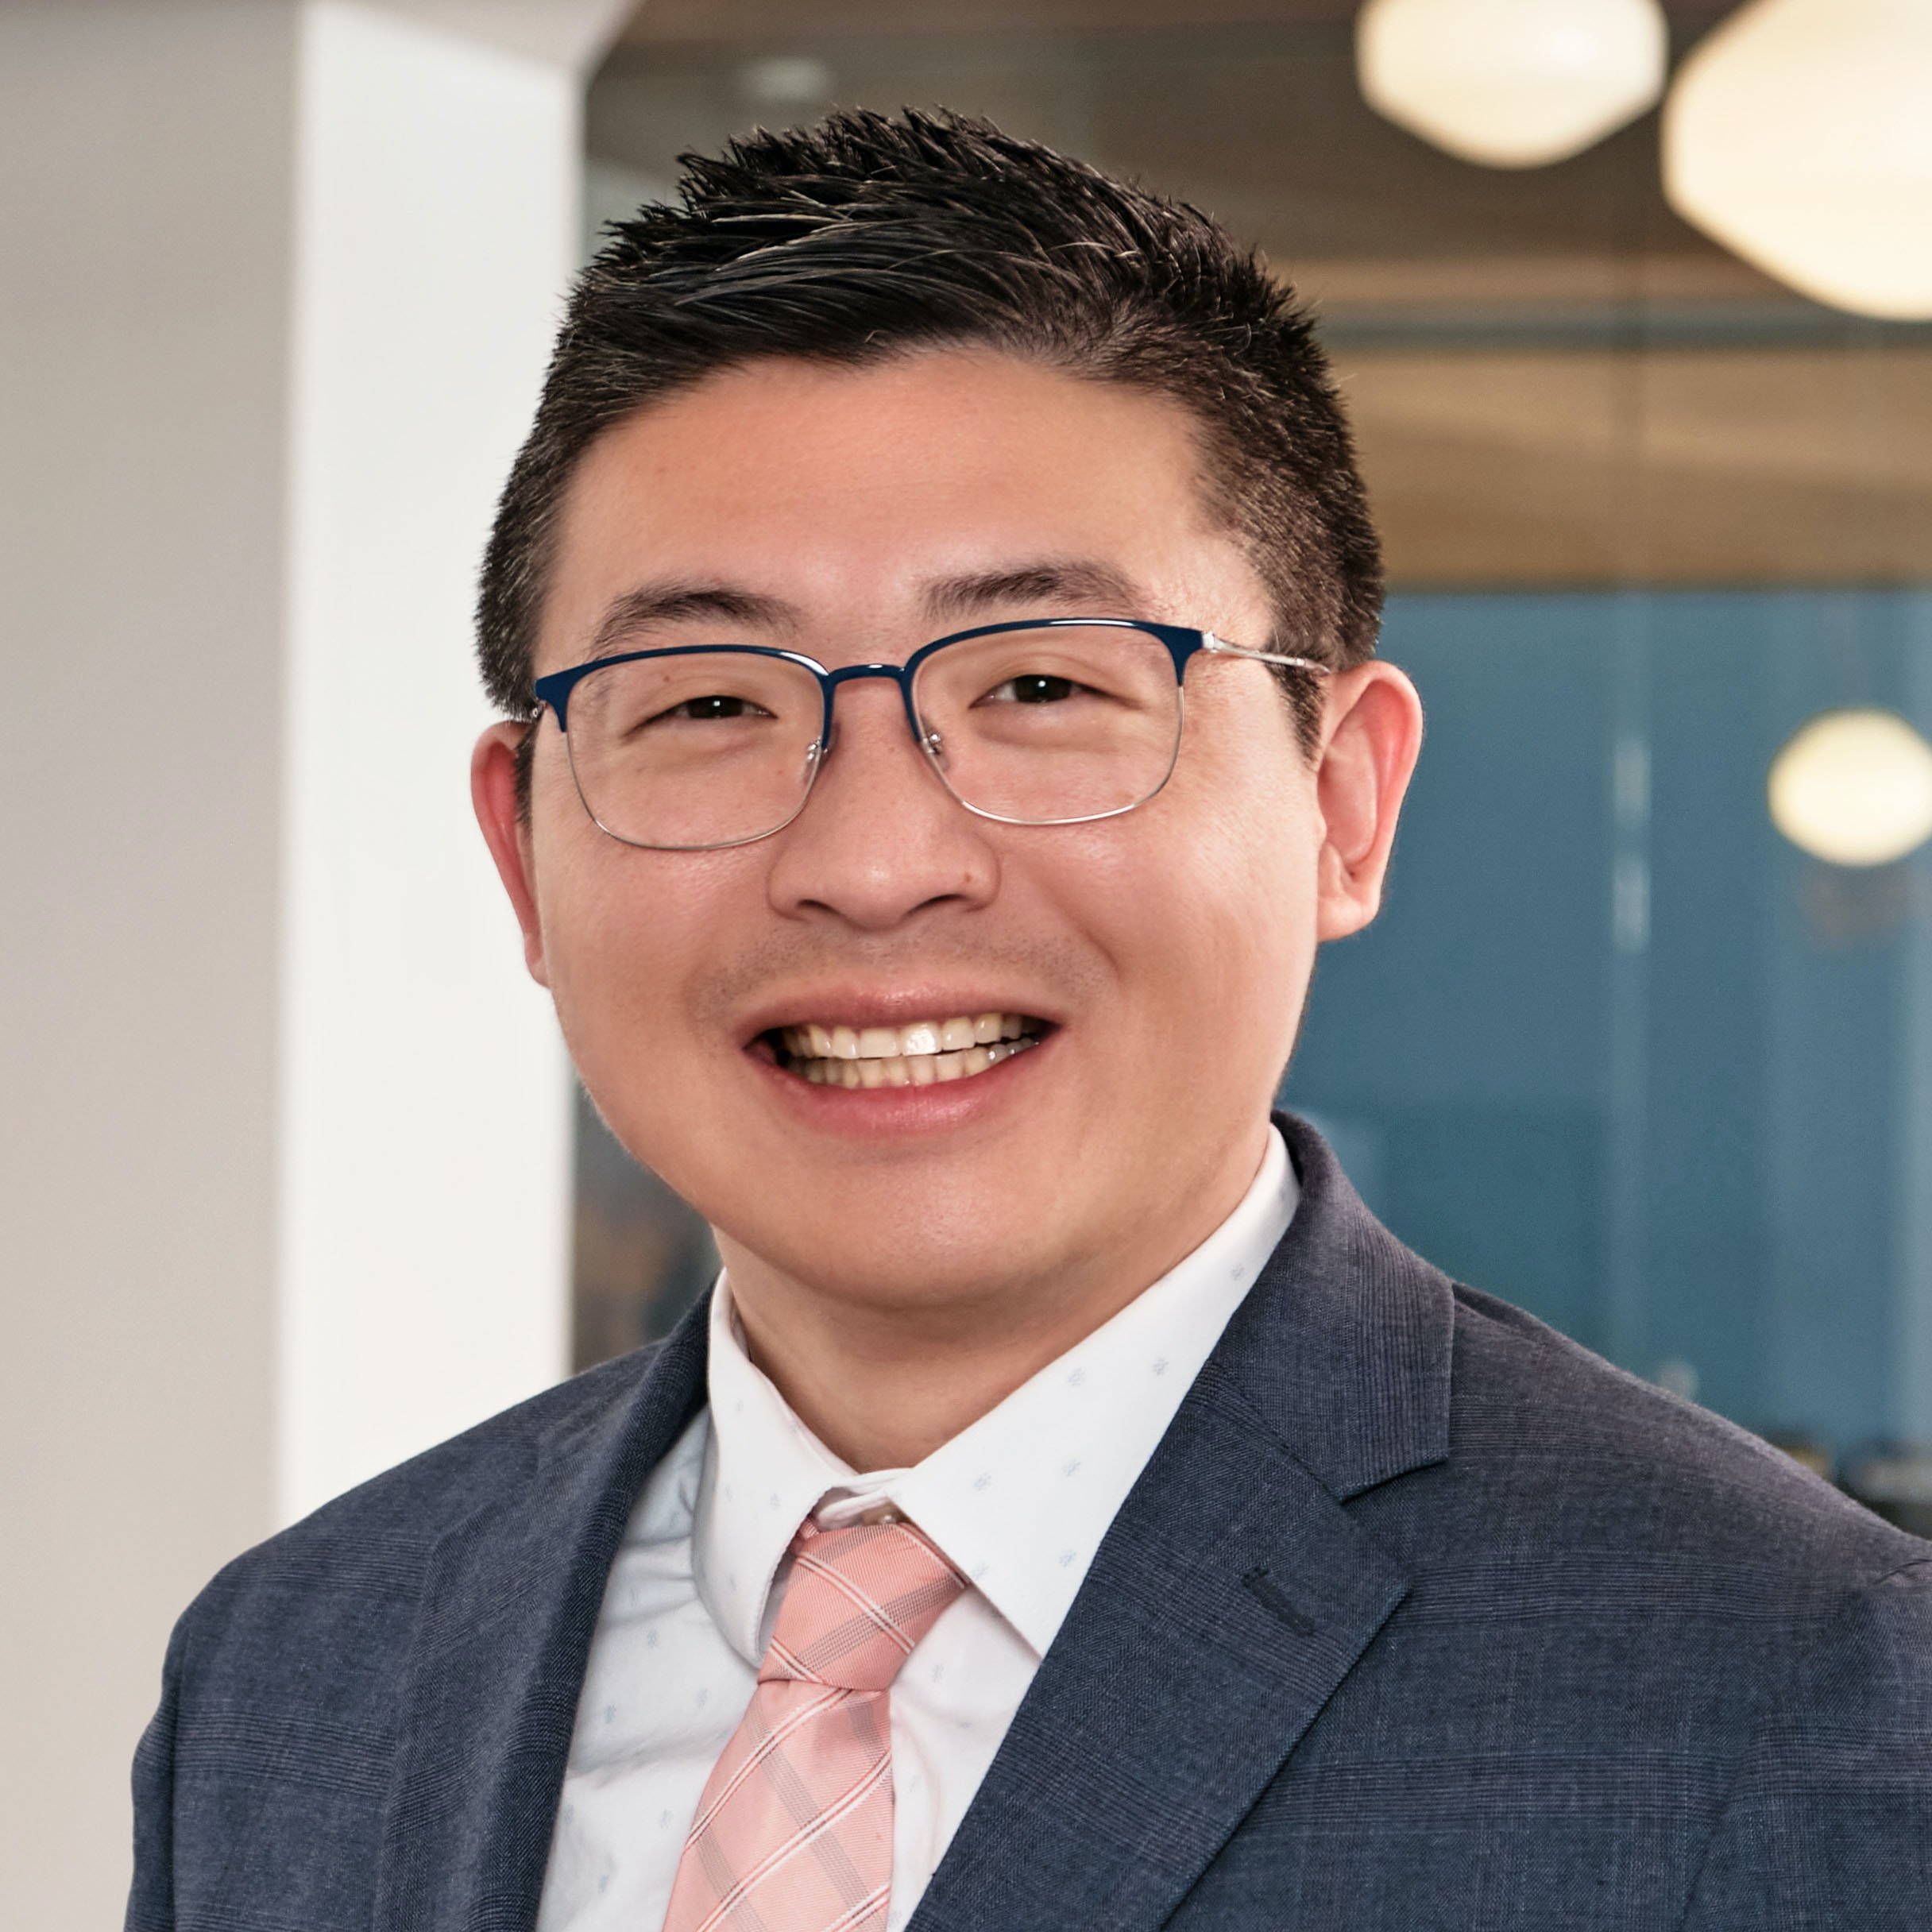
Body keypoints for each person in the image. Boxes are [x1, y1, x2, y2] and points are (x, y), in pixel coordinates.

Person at [127, 110, 1930, 1932]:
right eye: (706, 706)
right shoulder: (294, 1681)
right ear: (523, 848)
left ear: (1343, 803)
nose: (875, 857)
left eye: (1045, 684)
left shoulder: (1788, 1694)